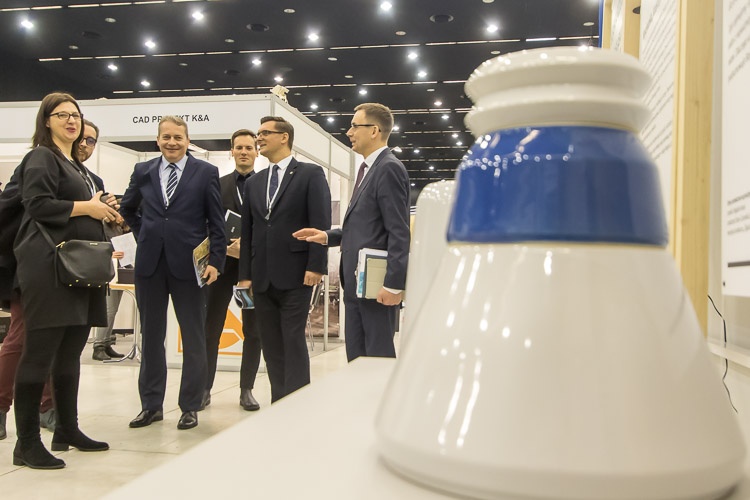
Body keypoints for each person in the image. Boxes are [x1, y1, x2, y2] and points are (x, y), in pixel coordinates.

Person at [12, 92, 120, 469]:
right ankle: (27, 443)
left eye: (75, 115)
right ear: (47, 120)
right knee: (39, 353)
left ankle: (67, 429)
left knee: (70, 353)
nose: (72, 121)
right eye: (62, 115)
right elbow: (37, 204)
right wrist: (88, 206)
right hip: (48, 267)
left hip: (80, 269)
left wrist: (103, 210)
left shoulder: (78, 167)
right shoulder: (41, 157)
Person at [120, 115, 225, 431]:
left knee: (194, 337)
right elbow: (127, 208)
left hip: (190, 266)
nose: (172, 142)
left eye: (178, 137)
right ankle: (151, 406)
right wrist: (144, 232)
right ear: (158, 140)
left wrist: (216, 261)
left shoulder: (205, 172)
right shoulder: (144, 171)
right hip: (150, 265)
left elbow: (216, 222)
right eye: (166, 137)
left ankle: (190, 406)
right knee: (152, 337)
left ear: (187, 140)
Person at [293, 103, 410, 361]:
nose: (349, 132)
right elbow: (364, 227)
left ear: (374, 131)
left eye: (355, 126)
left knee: (376, 358)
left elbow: (398, 231)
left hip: (375, 287)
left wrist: (393, 284)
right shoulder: (367, 170)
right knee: (357, 358)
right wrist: (327, 236)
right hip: (357, 284)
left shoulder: (388, 168)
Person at [238, 116, 331, 403]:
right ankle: (279, 402)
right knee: (271, 344)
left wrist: (316, 265)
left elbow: (320, 222)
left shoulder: (310, 174)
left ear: (284, 137)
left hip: (297, 274)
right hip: (262, 277)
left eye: (265, 133)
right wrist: (245, 275)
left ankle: (298, 404)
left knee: (293, 341)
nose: (259, 138)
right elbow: (248, 231)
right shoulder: (255, 182)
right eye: (259, 133)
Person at [203, 129, 263, 411]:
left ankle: (246, 389)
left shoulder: (265, 185)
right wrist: (226, 248)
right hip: (221, 267)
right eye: (239, 147)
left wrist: (248, 248)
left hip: (250, 271)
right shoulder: (217, 185)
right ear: (231, 151)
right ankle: (204, 388)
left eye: (249, 147)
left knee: (253, 329)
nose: (244, 152)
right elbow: (206, 223)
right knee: (211, 328)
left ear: (257, 152)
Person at [77, 119, 127, 362]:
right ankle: (99, 345)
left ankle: (104, 343)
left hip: (104, 264)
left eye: (91, 141)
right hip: (73, 263)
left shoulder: (94, 180)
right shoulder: (45, 165)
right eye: (82, 138)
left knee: (107, 308)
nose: (84, 144)